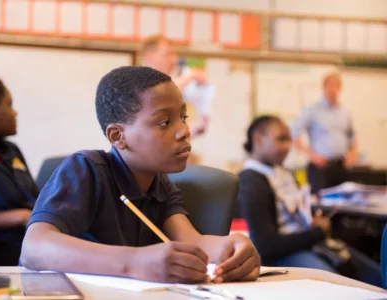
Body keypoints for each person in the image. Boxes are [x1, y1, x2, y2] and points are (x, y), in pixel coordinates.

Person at [20, 66, 260, 284]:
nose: (184, 131)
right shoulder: (86, 170)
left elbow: (191, 241)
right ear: (117, 136)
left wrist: (232, 247)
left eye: (183, 118)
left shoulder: (159, 182)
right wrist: (134, 262)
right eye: (165, 122)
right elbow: (34, 247)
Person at [237, 115, 381, 286]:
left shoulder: (283, 173)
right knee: (338, 287)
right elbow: (266, 246)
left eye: (289, 140)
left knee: (378, 276)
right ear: (258, 139)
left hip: (308, 243)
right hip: (284, 254)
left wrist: (313, 223)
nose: (287, 147)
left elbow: (297, 215)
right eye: (280, 139)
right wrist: (317, 232)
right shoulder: (252, 181)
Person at [0, 77, 38, 266]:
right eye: (9, 105)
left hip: (34, 241)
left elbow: (34, 195)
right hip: (0, 253)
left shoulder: (10, 150)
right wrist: (19, 217)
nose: (15, 112)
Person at [291, 73, 357, 194]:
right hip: (320, 166)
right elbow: (293, 133)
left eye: (336, 86)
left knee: (342, 203)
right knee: (321, 204)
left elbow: (352, 135)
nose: (333, 90)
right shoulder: (312, 110)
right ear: (324, 88)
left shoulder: (345, 112)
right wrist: (311, 155)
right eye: (330, 86)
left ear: (340, 89)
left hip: (340, 166)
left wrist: (353, 152)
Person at [140, 35, 210, 138]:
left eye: (174, 55)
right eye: (168, 54)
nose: (174, 60)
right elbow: (162, 93)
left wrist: (192, 130)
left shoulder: (168, 85)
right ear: (150, 57)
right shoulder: (139, 82)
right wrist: (191, 75)